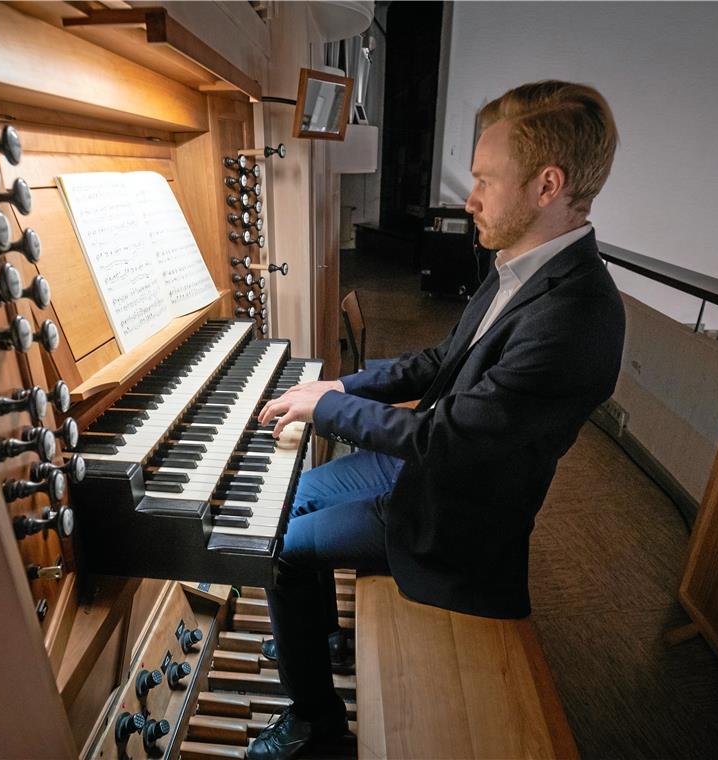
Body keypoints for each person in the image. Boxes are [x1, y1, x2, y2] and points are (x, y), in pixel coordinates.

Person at [247, 80, 626, 760]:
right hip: (426, 471)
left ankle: (316, 727)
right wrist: (341, 382)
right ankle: (320, 635)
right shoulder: (520, 266)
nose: (470, 198)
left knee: (278, 545)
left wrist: (331, 409)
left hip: (454, 514)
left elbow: (447, 439)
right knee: (291, 502)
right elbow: (440, 360)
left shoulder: (578, 317)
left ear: (547, 185)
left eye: (484, 180)